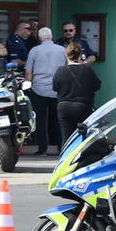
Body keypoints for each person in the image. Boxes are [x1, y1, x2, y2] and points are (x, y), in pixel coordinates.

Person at [24, 27, 66, 156]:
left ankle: (42, 148)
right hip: (57, 89)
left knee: (40, 120)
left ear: (39, 38)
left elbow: (28, 72)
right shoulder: (62, 50)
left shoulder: (34, 50)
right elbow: (68, 67)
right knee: (58, 119)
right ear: (51, 36)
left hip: (38, 89)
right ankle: (61, 146)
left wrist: (27, 86)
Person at [53, 41, 101, 145]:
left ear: (66, 55)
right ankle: (81, 158)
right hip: (83, 106)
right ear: (80, 55)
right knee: (84, 135)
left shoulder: (60, 70)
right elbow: (97, 85)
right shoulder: (87, 70)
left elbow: (55, 87)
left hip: (63, 106)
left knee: (66, 137)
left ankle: (65, 159)